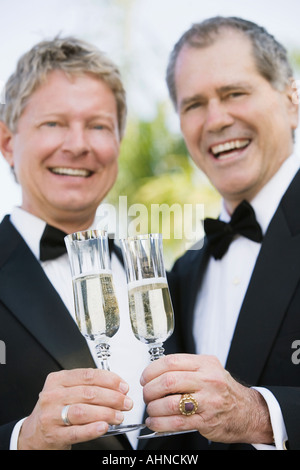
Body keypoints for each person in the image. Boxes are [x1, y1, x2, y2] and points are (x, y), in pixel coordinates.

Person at [0, 36, 184, 451]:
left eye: (98, 126)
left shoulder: (163, 281)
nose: (79, 145)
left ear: (117, 143)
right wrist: (21, 440)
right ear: (8, 143)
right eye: (54, 123)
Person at [140, 17, 300, 450]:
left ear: (291, 100)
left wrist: (259, 416)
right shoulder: (183, 273)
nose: (216, 119)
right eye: (194, 104)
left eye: (235, 93)